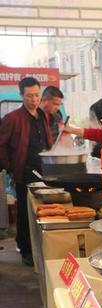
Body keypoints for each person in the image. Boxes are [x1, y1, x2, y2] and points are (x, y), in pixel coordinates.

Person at [0, 77, 52, 266]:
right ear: (21, 95)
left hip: (44, 171)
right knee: (24, 212)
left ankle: (40, 247)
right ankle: (25, 249)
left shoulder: (42, 115)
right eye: (29, 96)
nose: (34, 99)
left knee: (43, 210)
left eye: (37, 95)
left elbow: (46, 141)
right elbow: (1, 144)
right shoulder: (12, 118)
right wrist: (10, 166)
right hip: (23, 171)